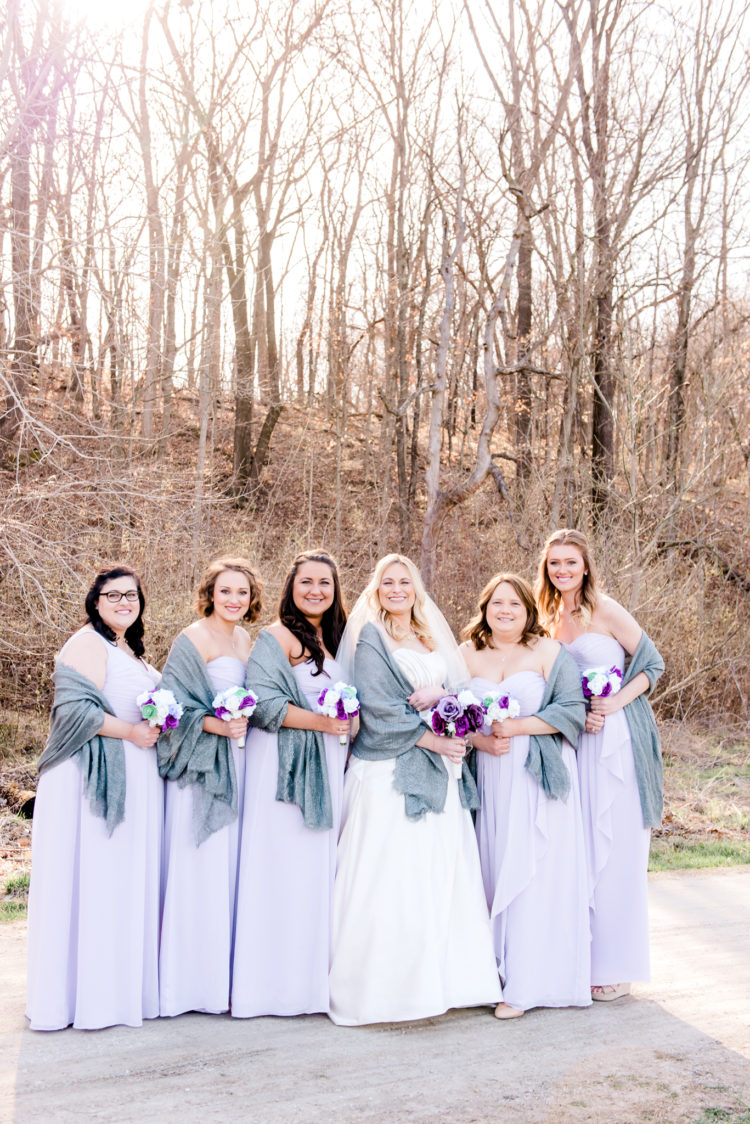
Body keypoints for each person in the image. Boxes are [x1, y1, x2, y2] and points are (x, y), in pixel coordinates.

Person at [328, 553, 500, 1026]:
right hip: (390, 768)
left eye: (405, 581)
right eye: (388, 582)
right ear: (377, 590)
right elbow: (379, 706)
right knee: (392, 873)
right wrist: (435, 740)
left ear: (416, 588)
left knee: (438, 871)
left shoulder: (429, 636)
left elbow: (457, 691)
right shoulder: (371, 638)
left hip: (442, 770)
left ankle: (448, 981)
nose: (397, 589)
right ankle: (386, 990)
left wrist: (444, 701)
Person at [26, 565, 162, 1031]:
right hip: (90, 778)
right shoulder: (87, 642)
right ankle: (84, 998)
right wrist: (132, 732)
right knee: (93, 881)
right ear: (96, 600)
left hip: (132, 772)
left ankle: (112, 990)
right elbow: (74, 710)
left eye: (132, 595)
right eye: (114, 595)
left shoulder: (130, 651)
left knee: (115, 883)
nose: (125, 602)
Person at [536, 529, 665, 1001]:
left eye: (571, 563)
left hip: (617, 741)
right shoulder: (545, 617)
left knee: (619, 848)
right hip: (575, 744)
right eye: (555, 564)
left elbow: (652, 664)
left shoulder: (606, 610)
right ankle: (583, 956)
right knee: (584, 848)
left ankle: (619, 965)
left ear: (586, 566)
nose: (563, 571)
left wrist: (614, 704)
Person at [461, 573, 591, 1019]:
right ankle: (492, 974)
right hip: (491, 777)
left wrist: (516, 727)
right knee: (493, 868)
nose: (505, 611)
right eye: (497, 603)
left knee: (534, 871)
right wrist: (480, 741)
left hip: (537, 774)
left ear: (527, 610)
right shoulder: (467, 653)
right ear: (485, 608)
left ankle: (529, 981)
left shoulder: (548, 651)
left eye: (514, 605)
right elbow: (456, 719)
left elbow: (572, 710)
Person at [231, 549, 350, 1018]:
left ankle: (309, 984)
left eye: (324, 582)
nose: (316, 590)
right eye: (306, 583)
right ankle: (270, 988)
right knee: (282, 867)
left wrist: (348, 724)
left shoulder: (337, 639)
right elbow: (262, 703)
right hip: (283, 766)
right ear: (290, 587)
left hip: (330, 762)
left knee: (317, 872)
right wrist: (325, 724)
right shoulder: (274, 637)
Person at [158, 557, 262, 1017]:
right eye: (226, 591)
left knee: (228, 870)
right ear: (210, 594)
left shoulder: (244, 639)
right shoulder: (192, 638)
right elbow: (169, 706)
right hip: (200, 764)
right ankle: (188, 986)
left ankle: (221, 979)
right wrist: (218, 728)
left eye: (242, 592)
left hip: (239, 762)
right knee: (198, 865)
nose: (234, 600)